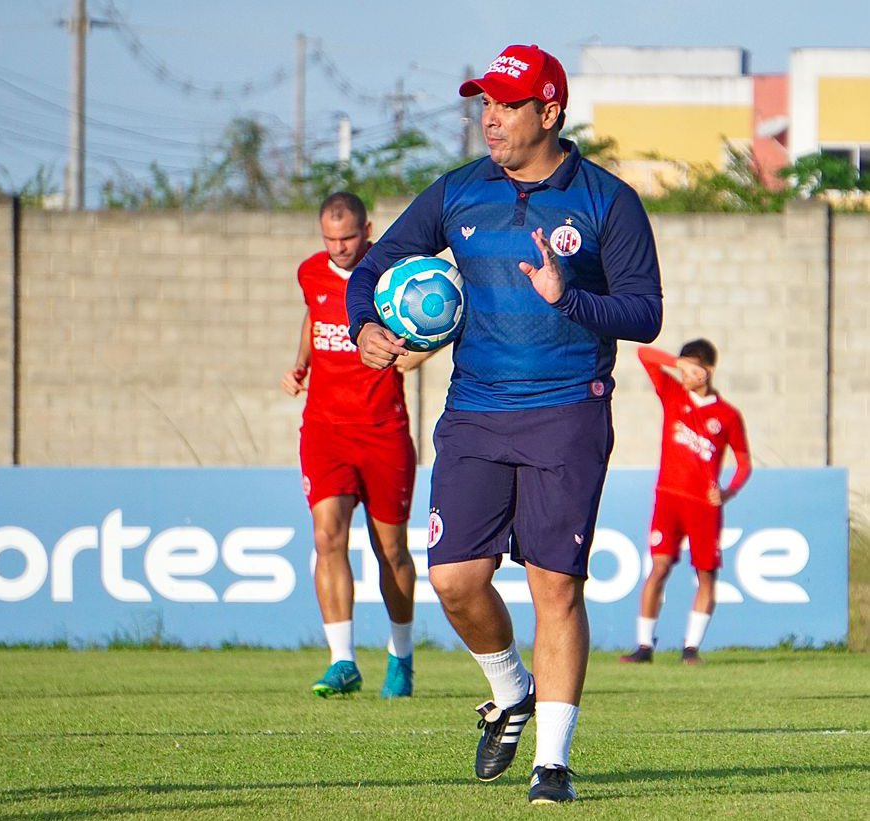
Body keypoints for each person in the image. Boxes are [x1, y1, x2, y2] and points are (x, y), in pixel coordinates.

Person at [345, 45, 662, 803]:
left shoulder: (607, 201)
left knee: (556, 587)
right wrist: (365, 324)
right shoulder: (457, 193)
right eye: (484, 101)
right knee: (454, 581)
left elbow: (646, 313)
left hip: (567, 411)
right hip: (476, 411)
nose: (489, 115)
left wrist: (570, 299)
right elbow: (375, 263)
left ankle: (552, 764)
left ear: (548, 113)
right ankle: (510, 690)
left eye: (507, 103)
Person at [283, 192, 428, 699]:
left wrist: (422, 353)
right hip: (324, 430)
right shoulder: (310, 273)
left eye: (348, 238)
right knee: (327, 537)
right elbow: (314, 317)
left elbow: (436, 314)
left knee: (391, 551)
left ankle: (401, 655)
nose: (339, 248)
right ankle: (342, 660)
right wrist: (301, 363)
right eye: (330, 238)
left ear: (368, 229)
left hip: (382, 432)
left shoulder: (392, 278)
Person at [620, 340, 751, 665]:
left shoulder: (728, 415)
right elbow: (643, 354)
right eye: (686, 367)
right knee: (659, 567)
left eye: (696, 367)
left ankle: (691, 648)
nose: (690, 373)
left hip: (703, 506)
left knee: (706, 573)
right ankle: (644, 646)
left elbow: (744, 462)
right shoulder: (673, 393)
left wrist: (727, 491)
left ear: (708, 370)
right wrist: (677, 363)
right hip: (668, 497)